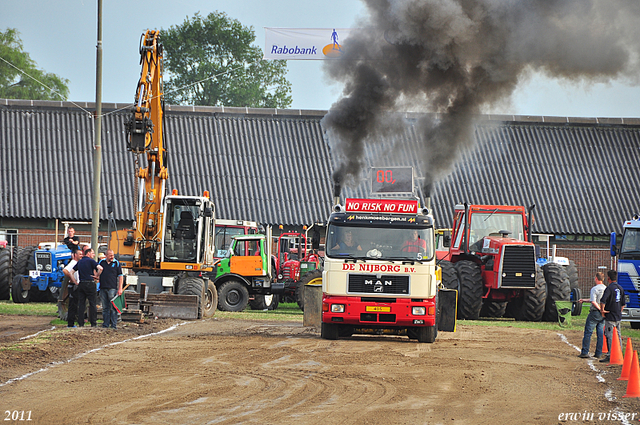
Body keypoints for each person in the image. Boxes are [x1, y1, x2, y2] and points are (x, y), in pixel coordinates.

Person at [599, 270, 626, 363]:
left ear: (608, 278)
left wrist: (602, 311)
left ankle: (611, 355)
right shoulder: (620, 288)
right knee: (618, 335)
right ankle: (619, 353)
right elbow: (623, 304)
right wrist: (619, 311)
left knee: (609, 335)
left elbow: (603, 301)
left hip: (610, 316)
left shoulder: (609, 288)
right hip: (618, 316)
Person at [578, 272, 606, 358]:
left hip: (595, 312)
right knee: (600, 333)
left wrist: (599, 309)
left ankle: (585, 352)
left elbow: (594, 301)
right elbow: (593, 300)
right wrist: (584, 300)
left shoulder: (594, 289)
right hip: (603, 313)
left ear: (596, 278)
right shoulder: (606, 288)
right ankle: (598, 353)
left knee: (588, 332)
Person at [73, 247, 103, 327]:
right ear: (88, 253)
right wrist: (96, 276)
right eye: (92, 253)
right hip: (90, 283)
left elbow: (72, 272)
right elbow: (100, 268)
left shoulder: (80, 262)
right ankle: (93, 323)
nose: (94, 255)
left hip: (82, 283)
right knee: (92, 303)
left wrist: (75, 282)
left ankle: (81, 323)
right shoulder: (91, 261)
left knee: (81, 304)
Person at [98, 249, 123, 329]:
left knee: (113, 307)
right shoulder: (101, 263)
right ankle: (105, 324)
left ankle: (113, 325)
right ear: (106, 255)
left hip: (112, 288)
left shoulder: (116, 263)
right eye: (110, 255)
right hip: (103, 287)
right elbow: (97, 272)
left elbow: (120, 276)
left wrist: (120, 288)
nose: (112, 257)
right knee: (105, 307)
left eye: (113, 255)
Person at [62, 248, 83, 328]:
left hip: (76, 284)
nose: (81, 255)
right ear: (75, 255)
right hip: (73, 286)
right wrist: (71, 278)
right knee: (73, 305)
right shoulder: (73, 262)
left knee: (75, 304)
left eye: (82, 254)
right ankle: (70, 323)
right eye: (79, 254)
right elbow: (65, 270)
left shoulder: (78, 263)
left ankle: (74, 322)